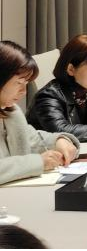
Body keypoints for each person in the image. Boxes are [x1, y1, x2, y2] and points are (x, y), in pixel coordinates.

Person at [0, 40, 79, 185]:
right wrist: (38, 162)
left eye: (26, 84)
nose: (23, 91)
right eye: (19, 83)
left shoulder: (11, 112)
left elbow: (31, 138)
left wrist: (58, 141)